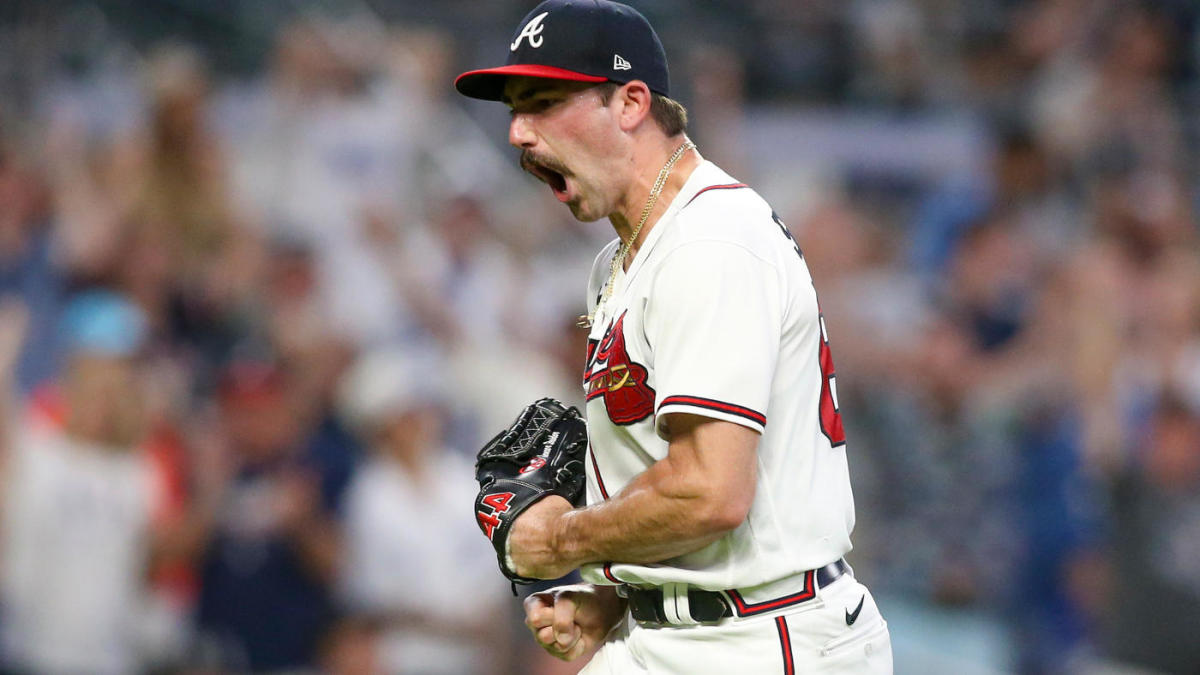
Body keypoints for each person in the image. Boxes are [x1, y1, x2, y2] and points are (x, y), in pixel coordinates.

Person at [453, 1, 893, 672]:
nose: (516, 132)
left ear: (630, 102)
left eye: (542, 102)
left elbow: (709, 491)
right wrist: (614, 595)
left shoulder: (710, 242)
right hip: (684, 626)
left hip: (763, 635)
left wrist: (560, 540)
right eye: (514, 109)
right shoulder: (628, 256)